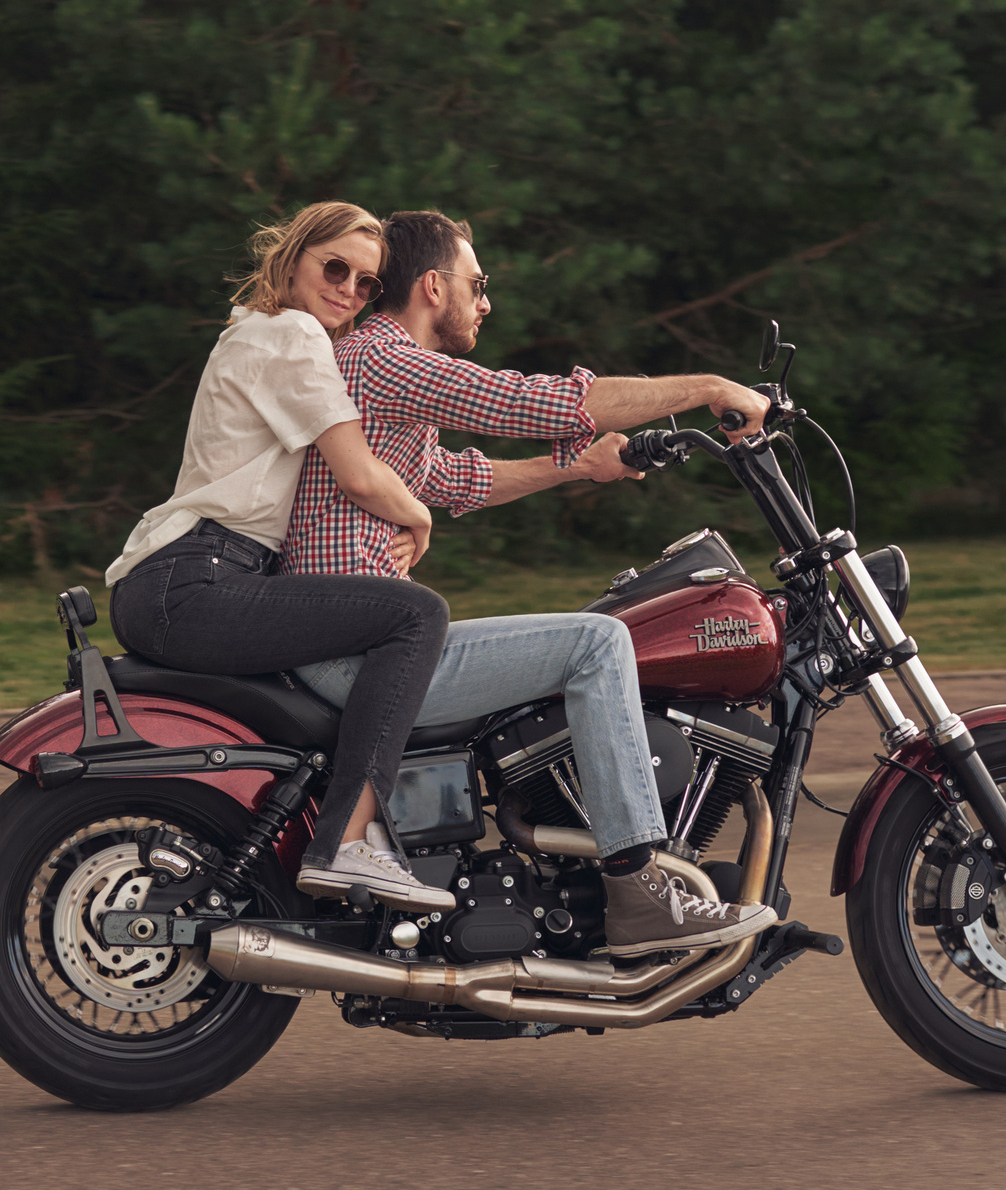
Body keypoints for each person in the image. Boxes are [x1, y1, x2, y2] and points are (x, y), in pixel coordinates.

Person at [283, 209, 779, 955]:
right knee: (597, 642)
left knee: (578, 641)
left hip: (358, 639)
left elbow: (458, 476)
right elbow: (527, 401)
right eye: (475, 284)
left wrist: (578, 465)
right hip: (356, 650)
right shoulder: (384, 357)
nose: (485, 302)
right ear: (431, 286)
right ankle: (640, 890)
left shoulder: (376, 374)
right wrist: (707, 387)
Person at [105, 202, 455, 914]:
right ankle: (349, 844)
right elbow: (356, 471)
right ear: (295, 257)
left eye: (366, 283)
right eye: (335, 268)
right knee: (416, 615)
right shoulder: (292, 332)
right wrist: (417, 513)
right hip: (195, 578)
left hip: (185, 578)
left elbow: (415, 467)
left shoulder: (262, 332)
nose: (349, 291)